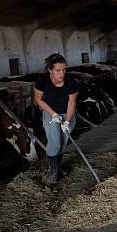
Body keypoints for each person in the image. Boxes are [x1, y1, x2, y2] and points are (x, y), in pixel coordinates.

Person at [34, 53, 78, 183]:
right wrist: (53, 114)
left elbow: (72, 103)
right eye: (58, 70)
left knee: (63, 144)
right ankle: (53, 171)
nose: (62, 73)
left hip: (67, 113)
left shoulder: (71, 82)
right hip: (50, 114)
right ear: (50, 70)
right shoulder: (42, 81)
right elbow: (38, 99)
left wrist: (67, 121)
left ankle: (57, 167)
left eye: (64, 70)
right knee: (55, 143)